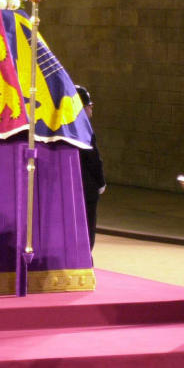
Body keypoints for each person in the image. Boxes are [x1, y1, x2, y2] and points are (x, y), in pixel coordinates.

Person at [75, 86, 106, 249]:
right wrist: (101, 183)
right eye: (88, 104)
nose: (91, 106)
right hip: (86, 189)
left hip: (70, 188)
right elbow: (93, 159)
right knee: (87, 230)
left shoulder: (64, 128)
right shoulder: (84, 128)